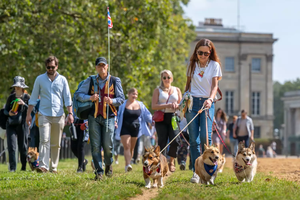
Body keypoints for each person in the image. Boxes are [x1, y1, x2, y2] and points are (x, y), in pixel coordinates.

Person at [75, 57, 125, 180]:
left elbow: (121, 99)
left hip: (109, 117)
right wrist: (89, 98)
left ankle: (108, 164)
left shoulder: (115, 80)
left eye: (104, 65)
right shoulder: (90, 80)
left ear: (107, 66)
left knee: (108, 146)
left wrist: (111, 101)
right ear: (96, 67)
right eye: (99, 66)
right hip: (93, 117)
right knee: (95, 146)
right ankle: (99, 172)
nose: (101, 68)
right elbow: (78, 95)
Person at [26, 56, 74, 173]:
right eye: (48, 67)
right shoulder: (40, 79)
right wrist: (28, 115)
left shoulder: (62, 80)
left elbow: (67, 98)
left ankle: (54, 167)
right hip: (43, 114)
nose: (51, 69)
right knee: (44, 140)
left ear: (57, 66)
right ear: (46, 67)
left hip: (58, 115)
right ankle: (43, 166)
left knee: (56, 143)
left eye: (53, 67)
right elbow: (33, 99)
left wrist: (70, 113)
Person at [185, 39, 222, 183]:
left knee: (205, 138)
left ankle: (209, 171)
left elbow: (214, 86)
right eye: (200, 52)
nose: (203, 55)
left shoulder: (214, 65)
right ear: (196, 52)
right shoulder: (191, 64)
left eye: (206, 53)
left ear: (210, 52)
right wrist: (184, 100)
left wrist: (210, 99)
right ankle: (196, 172)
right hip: (192, 103)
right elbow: (188, 85)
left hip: (207, 103)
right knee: (193, 139)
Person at [152, 70, 182, 172]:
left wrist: (176, 106)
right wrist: (167, 105)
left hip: (173, 117)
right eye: (164, 77)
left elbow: (181, 106)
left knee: (175, 140)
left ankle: (172, 161)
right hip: (161, 118)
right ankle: (163, 164)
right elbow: (153, 106)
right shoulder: (157, 90)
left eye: (168, 77)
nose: (166, 79)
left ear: (172, 78)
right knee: (162, 142)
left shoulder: (177, 90)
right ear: (162, 79)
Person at [115, 88, 152, 172]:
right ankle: (128, 165)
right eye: (133, 94)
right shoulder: (122, 104)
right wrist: (115, 121)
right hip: (125, 127)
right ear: (128, 94)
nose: (134, 96)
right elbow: (117, 114)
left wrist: (153, 121)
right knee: (127, 146)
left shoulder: (140, 104)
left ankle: (128, 164)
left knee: (132, 148)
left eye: (136, 94)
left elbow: (147, 115)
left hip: (136, 128)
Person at [5, 76, 30, 172]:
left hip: (23, 125)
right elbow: (5, 111)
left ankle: (23, 166)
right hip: (11, 124)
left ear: (23, 87)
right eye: (16, 86)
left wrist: (24, 104)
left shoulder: (27, 97)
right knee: (11, 146)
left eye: (19, 86)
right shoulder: (11, 97)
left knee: (23, 147)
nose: (17, 88)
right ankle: (12, 168)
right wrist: (9, 113)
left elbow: (33, 110)